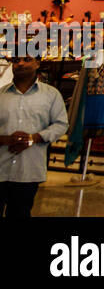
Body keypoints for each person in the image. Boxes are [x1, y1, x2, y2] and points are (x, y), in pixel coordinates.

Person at [0, 53, 69, 217]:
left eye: (27, 59)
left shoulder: (51, 95)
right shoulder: (1, 95)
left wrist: (34, 138)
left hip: (29, 170)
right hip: (0, 168)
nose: (21, 64)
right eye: (16, 60)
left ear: (37, 64)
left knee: (20, 213)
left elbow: (61, 124)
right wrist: (5, 139)